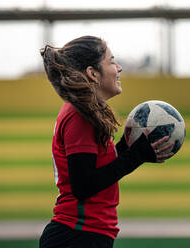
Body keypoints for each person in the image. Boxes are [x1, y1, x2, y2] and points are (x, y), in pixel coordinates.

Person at [39, 36, 174, 248]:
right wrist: (135, 155)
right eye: (112, 61)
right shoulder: (78, 114)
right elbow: (84, 186)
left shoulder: (84, 112)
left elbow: (96, 170)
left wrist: (129, 148)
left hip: (83, 236)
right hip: (76, 236)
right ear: (93, 73)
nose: (119, 68)